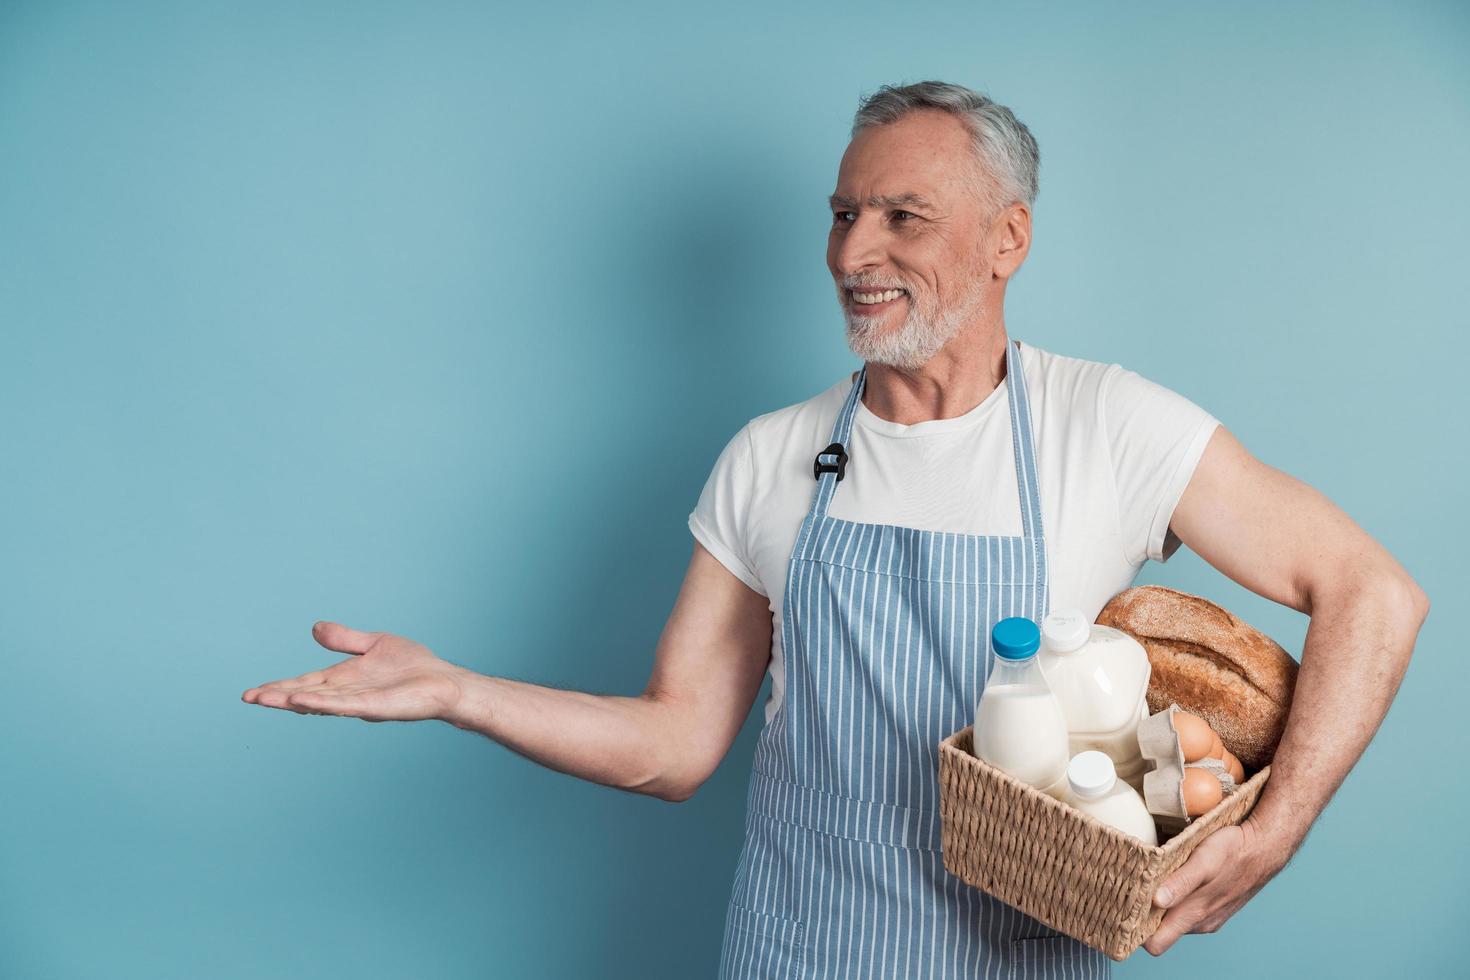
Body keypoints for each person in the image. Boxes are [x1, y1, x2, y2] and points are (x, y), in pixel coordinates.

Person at [241, 81, 1430, 977]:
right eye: (845, 213)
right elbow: (676, 741)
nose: (854, 252)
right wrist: (458, 689)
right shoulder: (772, 455)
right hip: (797, 952)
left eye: (903, 216)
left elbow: (1372, 588)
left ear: (1006, 238)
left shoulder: (1106, 426)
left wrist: (1277, 828)